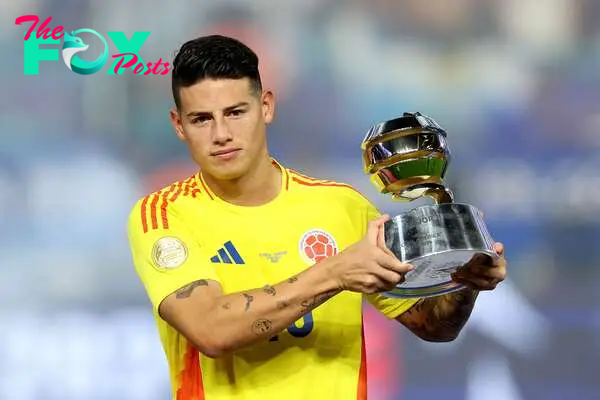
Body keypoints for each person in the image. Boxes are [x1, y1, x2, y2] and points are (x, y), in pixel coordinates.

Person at [126, 35, 507, 400]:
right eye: (201, 119)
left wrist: (464, 278)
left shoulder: (341, 206)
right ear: (179, 125)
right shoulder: (163, 215)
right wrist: (333, 273)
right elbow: (210, 330)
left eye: (236, 112)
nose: (221, 133)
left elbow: (434, 325)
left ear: (266, 107)